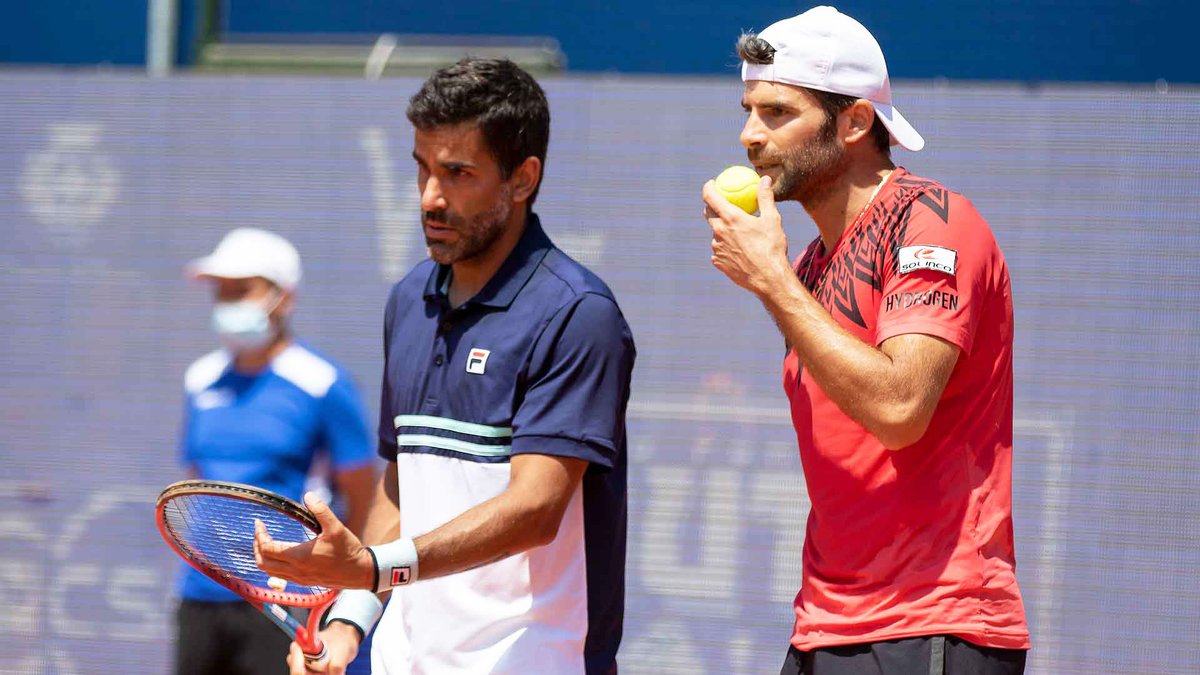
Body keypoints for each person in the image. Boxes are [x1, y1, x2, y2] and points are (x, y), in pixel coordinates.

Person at [254, 58, 636, 675]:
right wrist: (352, 618)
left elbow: (535, 511)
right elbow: (403, 479)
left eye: (458, 173)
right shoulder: (408, 300)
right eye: (423, 169)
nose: (431, 197)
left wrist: (375, 566)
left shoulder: (577, 314)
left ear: (522, 179)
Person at [701, 7, 1030, 674]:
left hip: (935, 621)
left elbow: (900, 408)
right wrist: (781, 279)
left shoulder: (934, 223)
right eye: (747, 110)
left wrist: (769, 279)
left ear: (854, 121)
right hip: (825, 624)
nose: (748, 135)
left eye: (775, 113)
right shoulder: (810, 267)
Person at [176, 227, 377, 675]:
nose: (228, 304)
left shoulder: (323, 384)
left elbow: (364, 499)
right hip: (199, 596)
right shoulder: (199, 380)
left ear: (283, 299)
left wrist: (341, 590)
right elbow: (196, 485)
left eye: (242, 291)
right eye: (221, 292)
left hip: (286, 600)